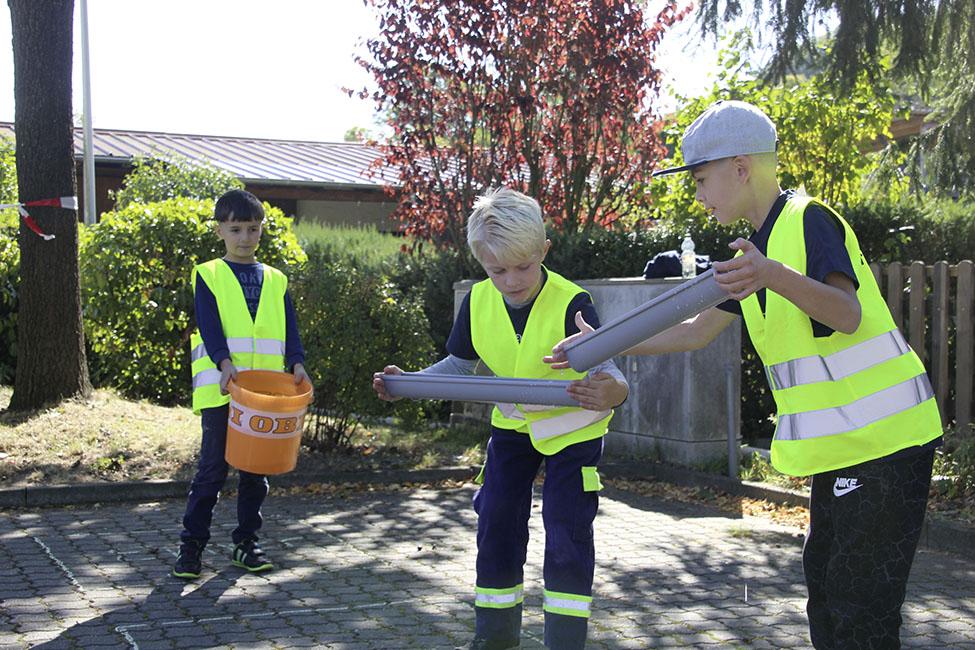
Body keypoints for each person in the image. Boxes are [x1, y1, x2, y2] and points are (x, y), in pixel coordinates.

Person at [546, 100, 943, 649]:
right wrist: (600, 345)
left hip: (888, 443)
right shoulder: (756, 254)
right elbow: (691, 331)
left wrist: (771, 275)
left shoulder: (808, 220)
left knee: (858, 609)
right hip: (849, 450)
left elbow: (846, 313)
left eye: (702, 179)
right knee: (828, 598)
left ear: (740, 166)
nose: (699, 195)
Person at [373, 187, 629, 650]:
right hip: (511, 431)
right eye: (497, 270)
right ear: (481, 263)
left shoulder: (574, 301)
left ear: (544, 250)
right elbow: (456, 367)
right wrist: (408, 382)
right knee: (495, 523)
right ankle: (493, 638)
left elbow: (607, 369)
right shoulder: (476, 301)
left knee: (567, 534)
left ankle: (564, 643)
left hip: (573, 436)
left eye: (523, 267)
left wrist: (612, 391)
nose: (511, 280)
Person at [173, 189, 311, 580]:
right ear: (220, 231)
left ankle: (246, 543)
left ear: (261, 231)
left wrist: (297, 362)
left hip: (266, 394)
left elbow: (290, 329)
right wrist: (224, 362)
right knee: (211, 471)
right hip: (222, 389)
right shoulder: (208, 274)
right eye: (236, 229)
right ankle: (191, 547)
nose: (245, 237)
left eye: (252, 229)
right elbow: (208, 323)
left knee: (255, 472)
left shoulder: (277, 279)